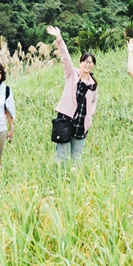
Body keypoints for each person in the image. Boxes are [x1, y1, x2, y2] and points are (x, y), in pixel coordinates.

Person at [47, 25, 99, 163]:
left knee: (77, 155)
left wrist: (91, 111)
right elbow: (65, 57)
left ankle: (75, 180)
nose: (88, 64)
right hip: (66, 117)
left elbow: (94, 100)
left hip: (82, 121)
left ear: (93, 65)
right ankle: (60, 179)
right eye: (85, 62)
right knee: (62, 154)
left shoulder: (93, 83)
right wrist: (59, 38)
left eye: (91, 62)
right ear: (80, 63)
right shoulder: (71, 74)